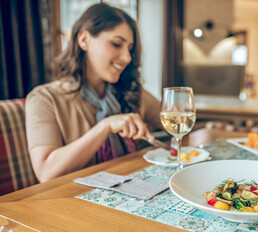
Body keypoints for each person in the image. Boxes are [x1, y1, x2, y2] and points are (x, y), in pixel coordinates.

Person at [25, 3, 162, 182]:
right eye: (116, 44)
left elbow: (173, 120)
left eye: (130, 48)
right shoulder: (44, 99)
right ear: (84, 40)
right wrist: (105, 126)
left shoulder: (131, 92)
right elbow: (45, 172)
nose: (127, 57)